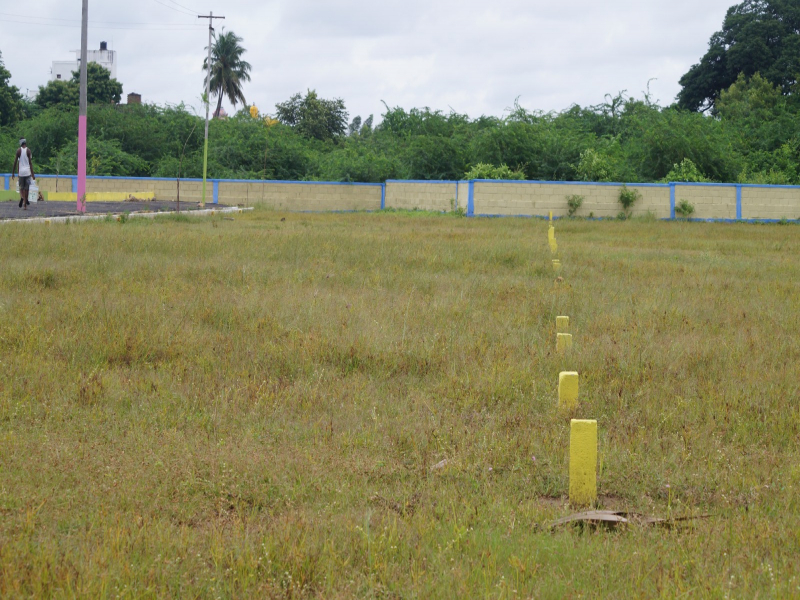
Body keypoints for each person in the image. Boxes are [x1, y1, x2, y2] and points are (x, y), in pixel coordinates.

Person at [12, 138, 35, 210]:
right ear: (25, 142)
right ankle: (25, 205)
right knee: (27, 189)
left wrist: (13, 173)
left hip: (21, 173)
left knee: (21, 188)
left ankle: (22, 197)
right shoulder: (28, 151)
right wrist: (33, 174)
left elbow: (15, 162)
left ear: (20, 143)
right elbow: (30, 163)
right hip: (28, 173)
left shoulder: (18, 151)